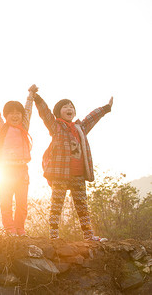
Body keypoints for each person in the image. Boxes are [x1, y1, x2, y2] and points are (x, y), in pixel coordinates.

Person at [32, 88, 113, 241]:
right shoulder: (56, 127)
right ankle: (54, 235)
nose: (69, 108)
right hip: (60, 173)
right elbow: (45, 113)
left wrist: (105, 109)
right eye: (65, 107)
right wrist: (37, 98)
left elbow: (90, 118)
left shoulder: (79, 128)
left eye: (71, 107)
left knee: (82, 206)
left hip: (78, 174)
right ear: (58, 112)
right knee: (56, 205)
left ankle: (89, 236)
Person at [0, 85, 37, 236]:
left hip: (22, 170)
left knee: (22, 203)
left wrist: (30, 94)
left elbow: (28, 109)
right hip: (5, 171)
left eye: (18, 113)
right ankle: (9, 229)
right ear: (6, 116)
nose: (15, 115)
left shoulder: (24, 126)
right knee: (6, 202)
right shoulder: (3, 127)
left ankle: (20, 228)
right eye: (11, 113)